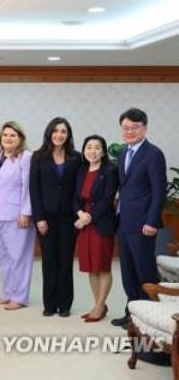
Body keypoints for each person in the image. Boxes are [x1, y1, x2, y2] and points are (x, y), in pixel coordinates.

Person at [111, 108, 167, 328]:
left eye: (135, 127)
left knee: (145, 271)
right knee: (128, 272)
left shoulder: (153, 154)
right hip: (124, 222)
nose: (130, 131)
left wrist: (152, 221)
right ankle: (132, 313)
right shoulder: (124, 152)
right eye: (126, 128)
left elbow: (158, 191)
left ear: (144, 127)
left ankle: (151, 318)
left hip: (144, 224)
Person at [29, 117, 82, 317]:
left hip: (69, 217)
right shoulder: (38, 157)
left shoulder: (76, 158)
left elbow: (79, 188)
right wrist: (39, 218)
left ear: (68, 135)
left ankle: (65, 304)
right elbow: (34, 189)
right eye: (56, 131)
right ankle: (50, 304)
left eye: (63, 131)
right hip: (46, 217)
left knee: (65, 260)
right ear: (49, 133)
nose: (59, 134)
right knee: (49, 260)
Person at [0, 121, 35, 310]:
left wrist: (26, 212)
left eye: (13, 135)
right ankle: (7, 293)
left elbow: (29, 187)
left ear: (20, 138)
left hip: (17, 215)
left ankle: (20, 297)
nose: (8, 138)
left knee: (19, 258)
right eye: (5, 135)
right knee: (3, 258)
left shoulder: (26, 157)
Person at [73, 135, 119, 322]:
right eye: (89, 147)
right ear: (84, 151)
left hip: (101, 223)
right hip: (84, 222)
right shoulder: (82, 170)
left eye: (97, 147)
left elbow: (107, 199)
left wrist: (88, 217)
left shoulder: (110, 170)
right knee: (91, 267)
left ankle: (100, 306)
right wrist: (79, 213)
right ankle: (98, 304)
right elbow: (74, 196)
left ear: (103, 151)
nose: (92, 151)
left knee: (103, 266)